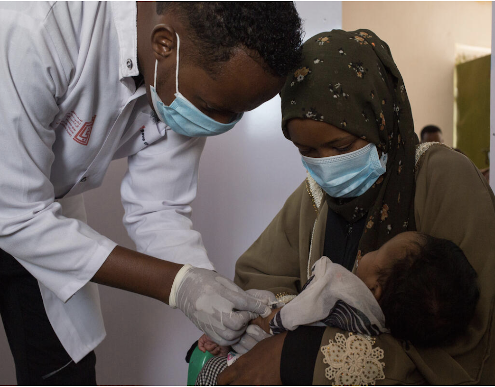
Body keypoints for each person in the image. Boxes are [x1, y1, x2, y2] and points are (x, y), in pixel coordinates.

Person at [0, 2, 303, 384]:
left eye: (237, 114)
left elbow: (158, 209)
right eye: (213, 107)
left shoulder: (182, 68)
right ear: (164, 43)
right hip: (19, 210)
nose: (218, 124)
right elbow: (16, 213)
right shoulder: (38, 25)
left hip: (46, 216)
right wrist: (178, 286)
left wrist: (212, 295)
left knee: (64, 373)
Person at [214, 29, 495, 385]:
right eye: (308, 152)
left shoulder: (441, 177)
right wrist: (283, 320)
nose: (326, 165)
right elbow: (258, 274)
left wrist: (305, 355)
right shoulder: (316, 195)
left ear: (380, 120)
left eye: (341, 145)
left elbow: (470, 329)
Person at [195, 232, 479, 384]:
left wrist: (270, 320)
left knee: (210, 372)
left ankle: (225, 347)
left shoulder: (343, 287)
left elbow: (302, 308)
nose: (367, 252)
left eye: (377, 252)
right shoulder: (382, 329)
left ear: (375, 289)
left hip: (266, 354)